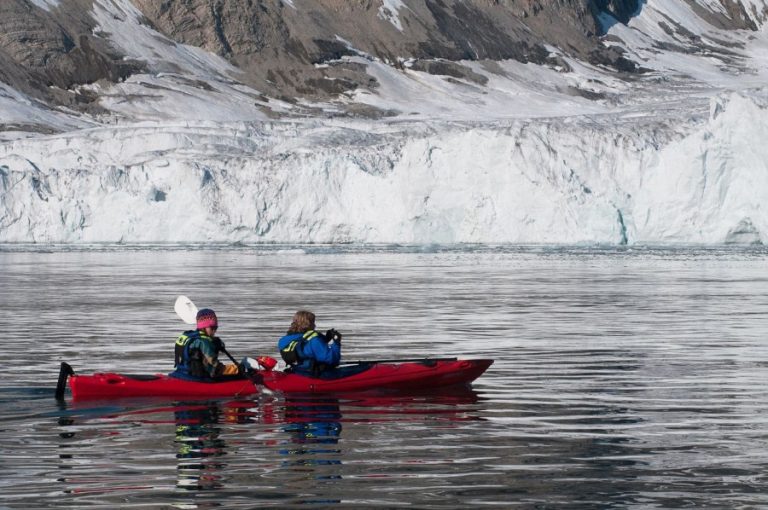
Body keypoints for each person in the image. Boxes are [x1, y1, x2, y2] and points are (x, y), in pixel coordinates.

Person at [171, 308, 242, 380]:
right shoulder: (205, 342)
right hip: (197, 379)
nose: (214, 331)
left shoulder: (187, 336)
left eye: (216, 328)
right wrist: (238, 369)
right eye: (212, 328)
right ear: (204, 327)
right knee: (236, 374)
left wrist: (214, 344)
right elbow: (216, 367)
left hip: (180, 373)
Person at [278, 310, 342, 376]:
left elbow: (304, 343)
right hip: (313, 375)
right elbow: (332, 360)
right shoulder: (314, 340)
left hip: (296, 371)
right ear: (308, 324)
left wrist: (326, 339)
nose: (315, 325)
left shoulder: (283, 340)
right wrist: (336, 343)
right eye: (313, 322)